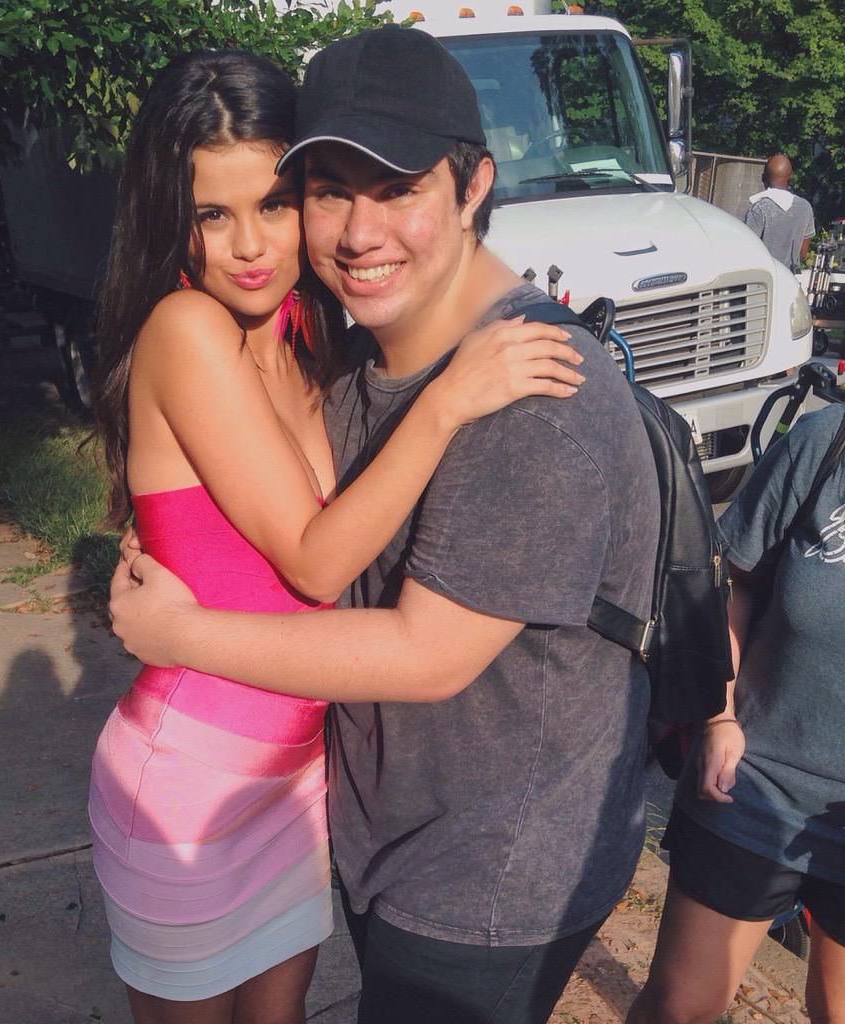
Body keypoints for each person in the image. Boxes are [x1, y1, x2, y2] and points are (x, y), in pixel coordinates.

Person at [109, 26, 660, 1024]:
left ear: (473, 186)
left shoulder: (354, 350)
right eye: (326, 192)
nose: (255, 244)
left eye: (275, 204)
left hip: (384, 829)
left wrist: (180, 626)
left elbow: (414, 644)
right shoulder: (231, 332)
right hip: (206, 783)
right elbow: (311, 557)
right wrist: (442, 403)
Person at [627, 406, 845, 1024]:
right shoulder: (827, 442)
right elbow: (732, 580)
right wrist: (719, 716)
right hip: (753, 780)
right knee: (680, 1007)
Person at [745, 153, 815, 270]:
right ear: (790, 178)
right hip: (790, 275)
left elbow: (748, 249)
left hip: (764, 275)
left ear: (763, 177)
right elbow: (803, 253)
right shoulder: (805, 207)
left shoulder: (759, 209)